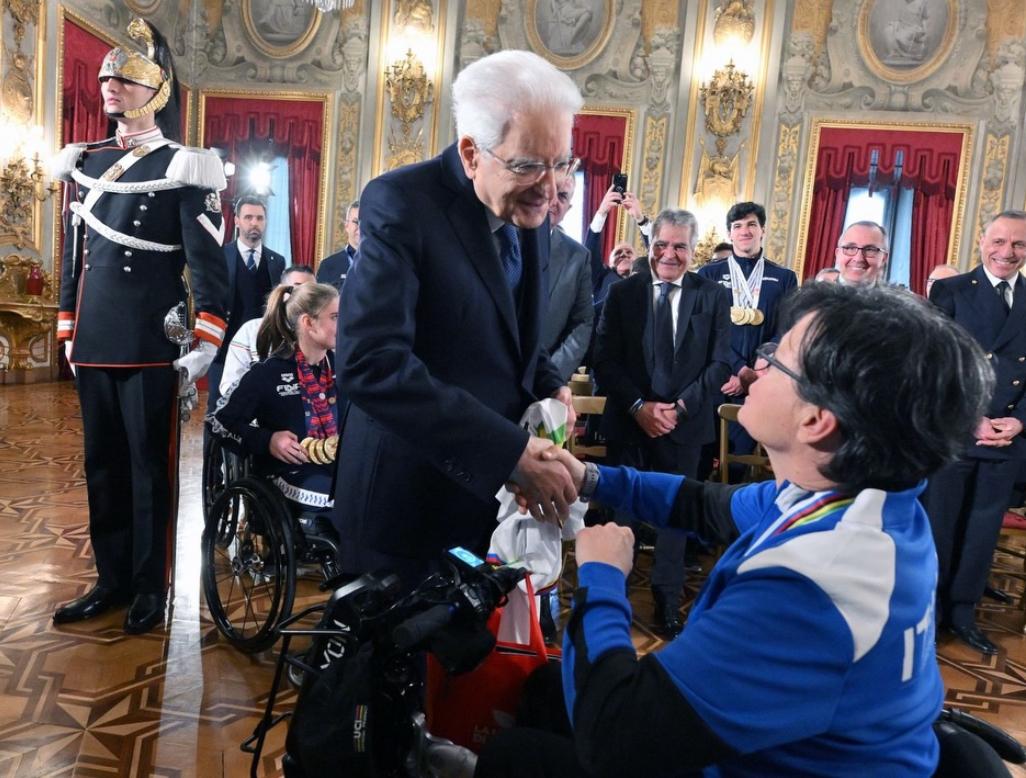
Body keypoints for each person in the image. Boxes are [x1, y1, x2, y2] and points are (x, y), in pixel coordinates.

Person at [474, 281, 992, 778]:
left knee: (517, 757)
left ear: (818, 420)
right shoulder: (861, 500)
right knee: (545, 687)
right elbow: (704, 503)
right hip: (784, 746)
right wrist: (587, 477)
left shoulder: (814, 584)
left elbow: (615, 738)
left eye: (774, 361)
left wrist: (603, 577)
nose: (753, 371)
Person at [333, 50, 581, 588]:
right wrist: (509, 452)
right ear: (472, 153)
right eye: (528, 165)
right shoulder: (401, 203)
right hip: (408, 508)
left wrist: (550, 384)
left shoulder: (525, 205)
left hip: (486, 504)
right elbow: (371, 364)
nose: (551, 187)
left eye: (561, 162)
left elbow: (509, 338)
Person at [52, 18, 228, 634]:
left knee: (150, 468)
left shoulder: (187, 165)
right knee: (102, 466)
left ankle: (152, 586)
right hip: (96, 337)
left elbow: (209, 265)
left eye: (123, 78)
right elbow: (77, 255)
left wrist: (206, 339)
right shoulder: (86, 160)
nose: (108, 85)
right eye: (104, 77)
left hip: (153, 341)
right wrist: (68, 329)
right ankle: (112, 578)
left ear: (155, 89)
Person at [593, 208, 731, 636]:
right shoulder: (623, 293)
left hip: (684, 425)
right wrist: (639, 407)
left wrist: (680, 408)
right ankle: (608, 600)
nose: (668, 254)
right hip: (630, 421)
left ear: (693, 250)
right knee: (623, 513)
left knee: (675, 517)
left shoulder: (712, 295)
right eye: (660, 245)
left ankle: (668, 601)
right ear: (650, 246)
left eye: (679, 246)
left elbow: (720, 361)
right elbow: (604, 358)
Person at [924, 210, 1026, 655]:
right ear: (981, 241)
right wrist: (971, 418)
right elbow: (934, 366)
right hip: (956, 432)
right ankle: (928, 615)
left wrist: (1020, 420)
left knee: (982, 533)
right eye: (999, 241)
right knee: (940, 528)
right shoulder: (950, 291)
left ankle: (963, 613)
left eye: (1019, 245)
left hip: (1008, 436)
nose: (1007, 252)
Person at [209, 282, 341, 519]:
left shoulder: (344, 369)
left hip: (338, 466)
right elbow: (220, 423)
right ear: (308, 323)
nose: (343, 324)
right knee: (349, 502)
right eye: (334, 317)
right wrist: (267, 439)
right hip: (287, 473)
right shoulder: (268, 373)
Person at [698, 202, 797, 400]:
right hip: (719, 378)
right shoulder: (708, 274)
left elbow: (788, 329)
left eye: (751, 224)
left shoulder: (785, 277)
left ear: (763, 230)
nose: (745, 231)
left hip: (765, 379)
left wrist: (760, 369)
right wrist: (739, 370)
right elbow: (703, 328)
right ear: (729, 234)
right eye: (737, 226)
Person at [206, 195, 286, 412]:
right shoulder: (220, 257)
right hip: (223, 350)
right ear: (237, 220)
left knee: (262, 410)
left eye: (259, 218)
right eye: (248, 217)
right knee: (218, 409)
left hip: (263, 351)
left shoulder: (277, 262)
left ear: (265, 222)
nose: (254, 223)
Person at [218, 264, 316, 395]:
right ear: (282, 291)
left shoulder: (322, 332)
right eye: (297, 287)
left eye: (311, 290)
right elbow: (230, 384)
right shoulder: (251, 331)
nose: (305, 296)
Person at [544, 173, 594, 381]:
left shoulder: (578, 257)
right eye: (549, 191)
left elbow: (582, 323)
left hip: (543, 382)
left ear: (568, 208)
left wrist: (548, 376)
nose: (554, 201)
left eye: (563, 196)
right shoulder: (498, 239)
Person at [317, 200, 360, 290]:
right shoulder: (328, 265)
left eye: (364, 222)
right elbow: (321, 302)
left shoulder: (385, 263)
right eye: (355, 222)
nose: (360, 227)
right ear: (346, 226)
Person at [835, 221, 889, 285]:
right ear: (837, 254)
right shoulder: (819, 293)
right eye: (850, 248)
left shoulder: (898, 295)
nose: (858, 259)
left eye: (869, 250)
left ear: (883, 258)